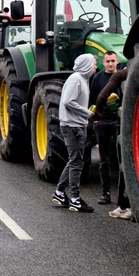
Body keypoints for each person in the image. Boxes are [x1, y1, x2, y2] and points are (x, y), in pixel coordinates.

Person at [52, 53, 97, 213]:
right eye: (94, 63)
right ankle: (75, 200)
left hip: (77, 125)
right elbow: (67, 101)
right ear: (86, 65)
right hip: (72, 126)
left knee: (74, 160)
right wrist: (86, 113)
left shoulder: (83, 80)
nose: (95, 67)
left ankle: (59, 193)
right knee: (77, 162)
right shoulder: (76, 79)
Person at [97, 68, 132, 219]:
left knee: (124, 165)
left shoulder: (122, 74)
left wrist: (99, 111)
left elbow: (102, 95)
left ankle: (124, 206)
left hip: (125, 124)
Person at [89, 51, 120, 205]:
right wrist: (95, 119)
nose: (110, 64)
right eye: (107, 61)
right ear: (103, 62)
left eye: (112, 61)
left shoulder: (121, 77)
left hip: (118, 122)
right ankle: (105, 193)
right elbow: (92, 99)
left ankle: (123, 197)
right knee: (104, 160)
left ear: (117, 61)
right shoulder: (97, 78)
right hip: (102, 122)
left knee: (122, 159)